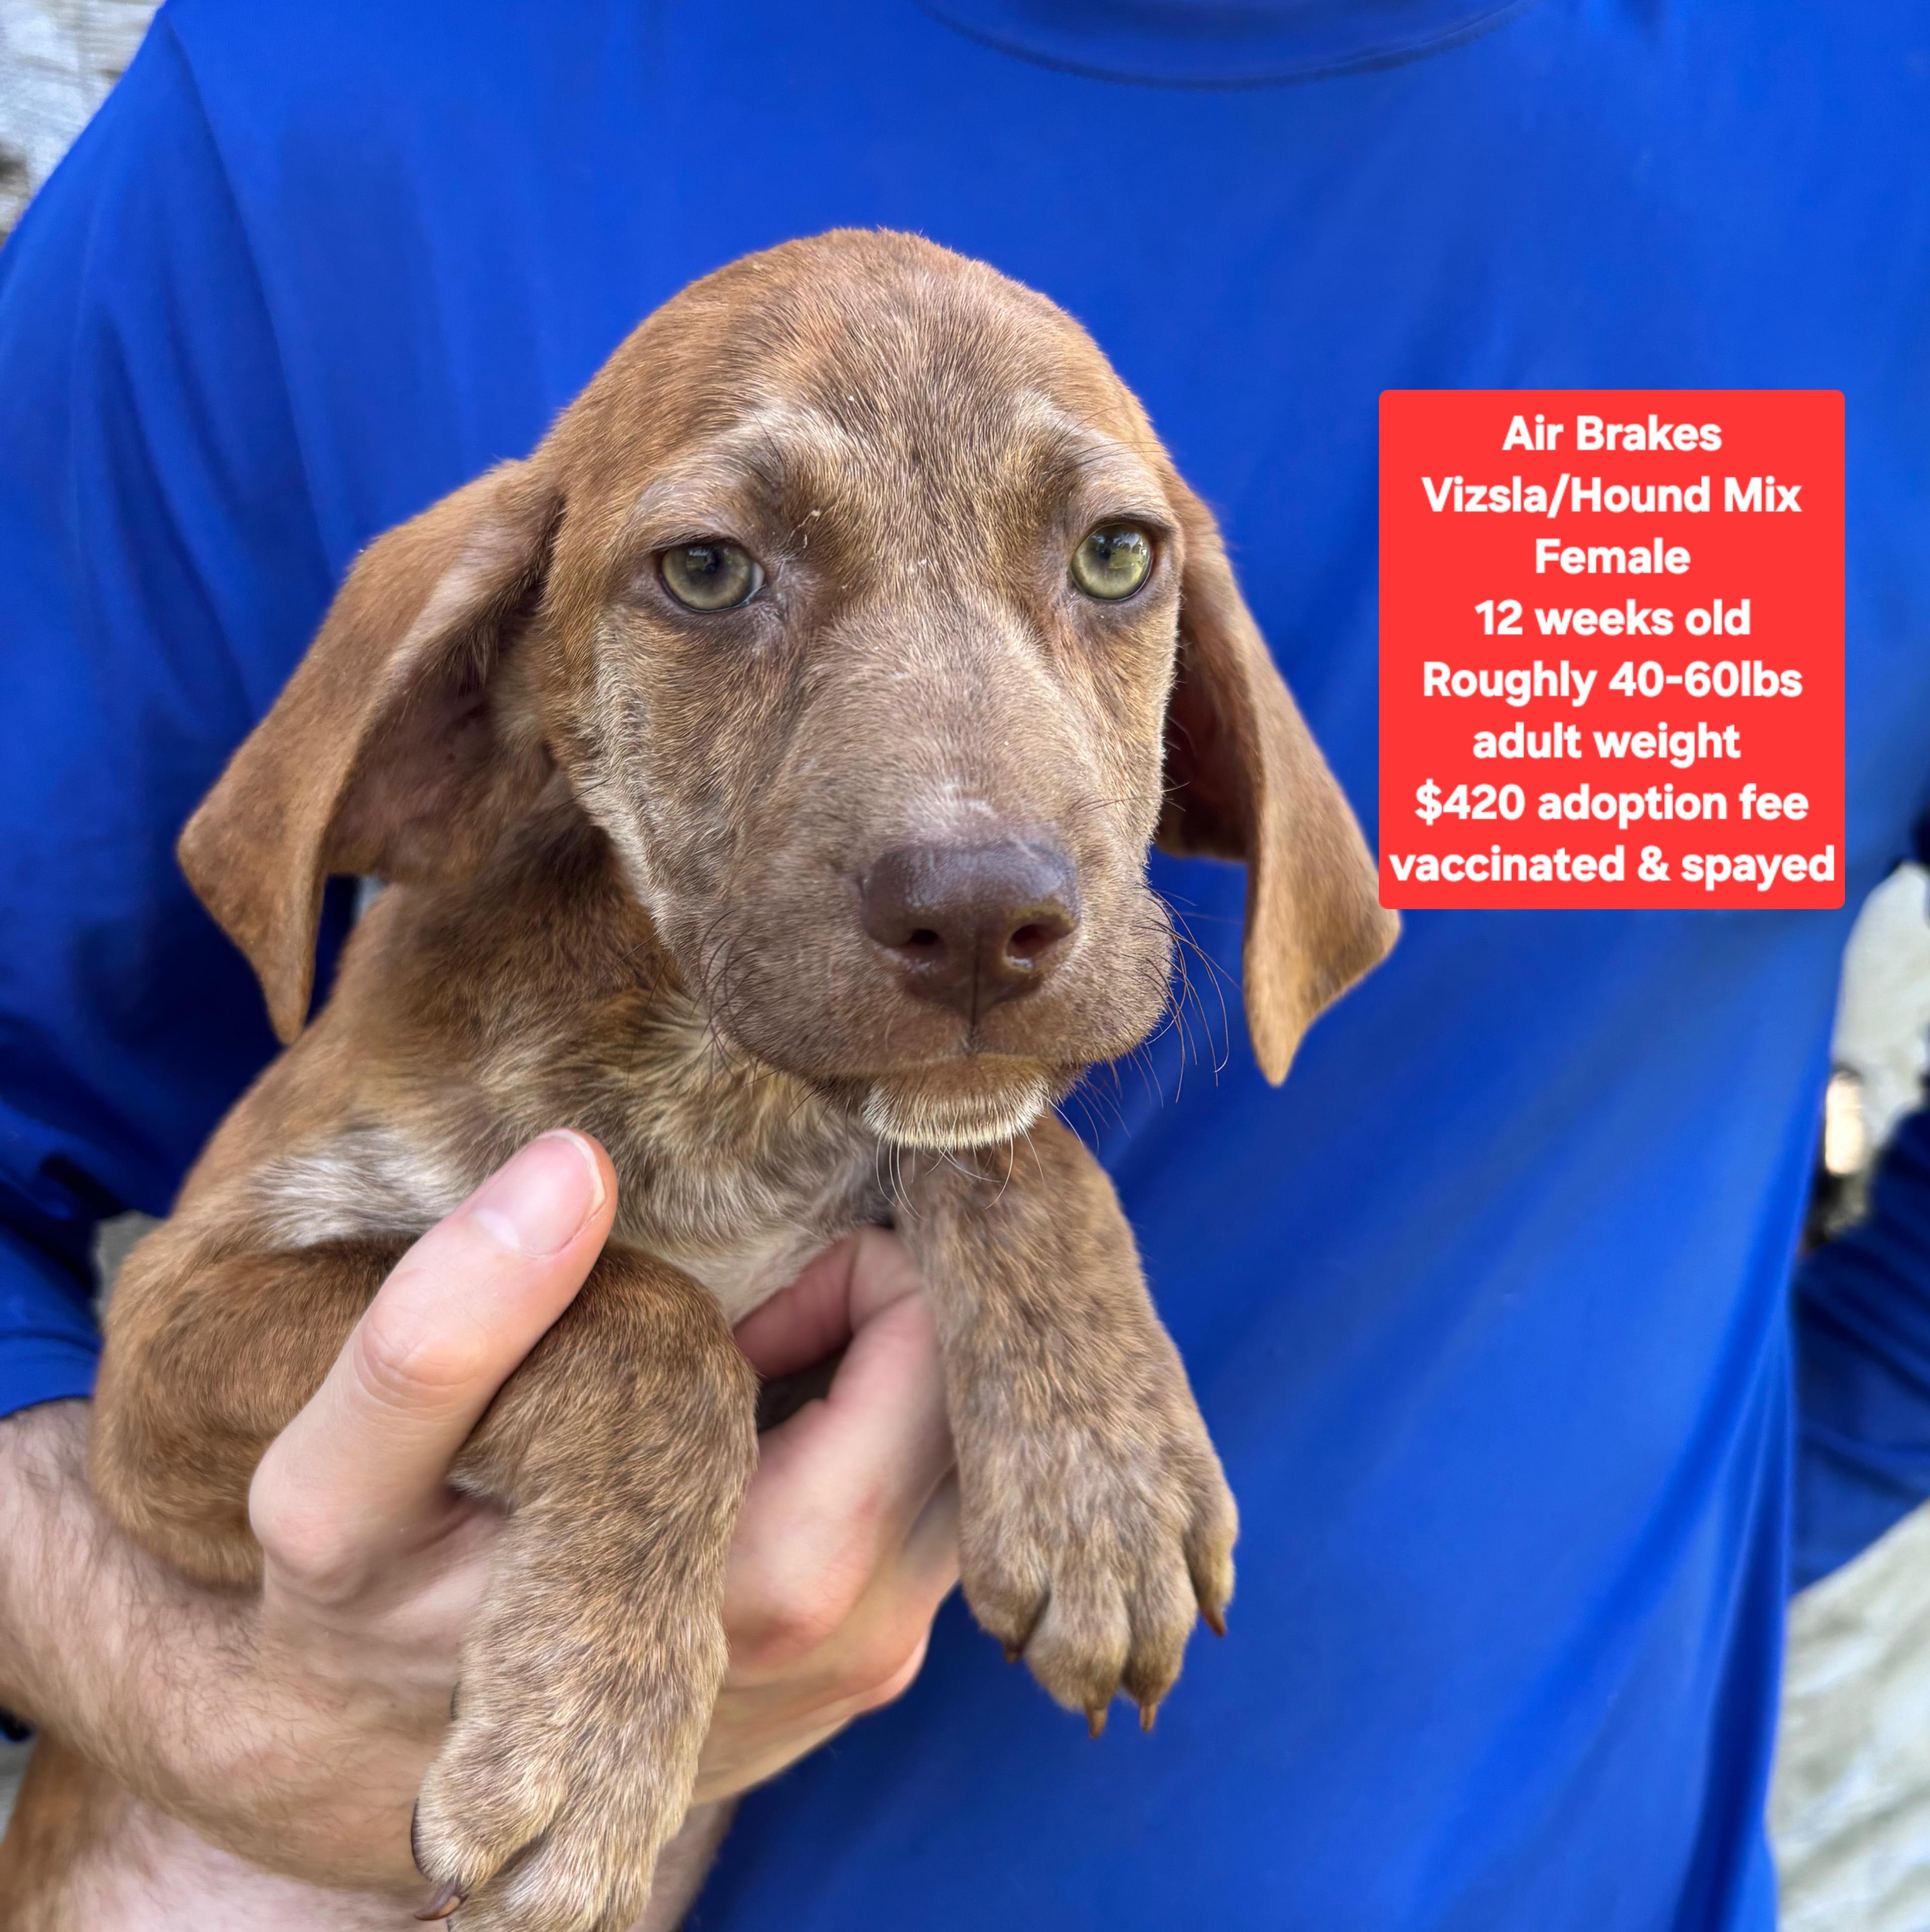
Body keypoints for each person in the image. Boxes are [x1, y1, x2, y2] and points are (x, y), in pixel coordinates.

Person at [0, 3, 1925, 1927]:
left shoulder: (1871, 124)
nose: (968, 852)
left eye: (1107, 566)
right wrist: (207, 1712)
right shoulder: (334, 96)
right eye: (709, 575)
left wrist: (1746, 1513)